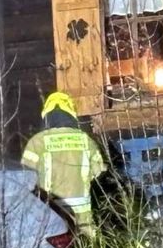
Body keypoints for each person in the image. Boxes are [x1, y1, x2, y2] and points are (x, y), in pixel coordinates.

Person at [21, 92, 107, 236]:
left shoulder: (37, 142)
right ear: (71, 115)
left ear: (46, 115)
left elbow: (25, 178)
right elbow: (99, 171)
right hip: (83, 222)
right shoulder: (86, 140)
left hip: (51, 217)